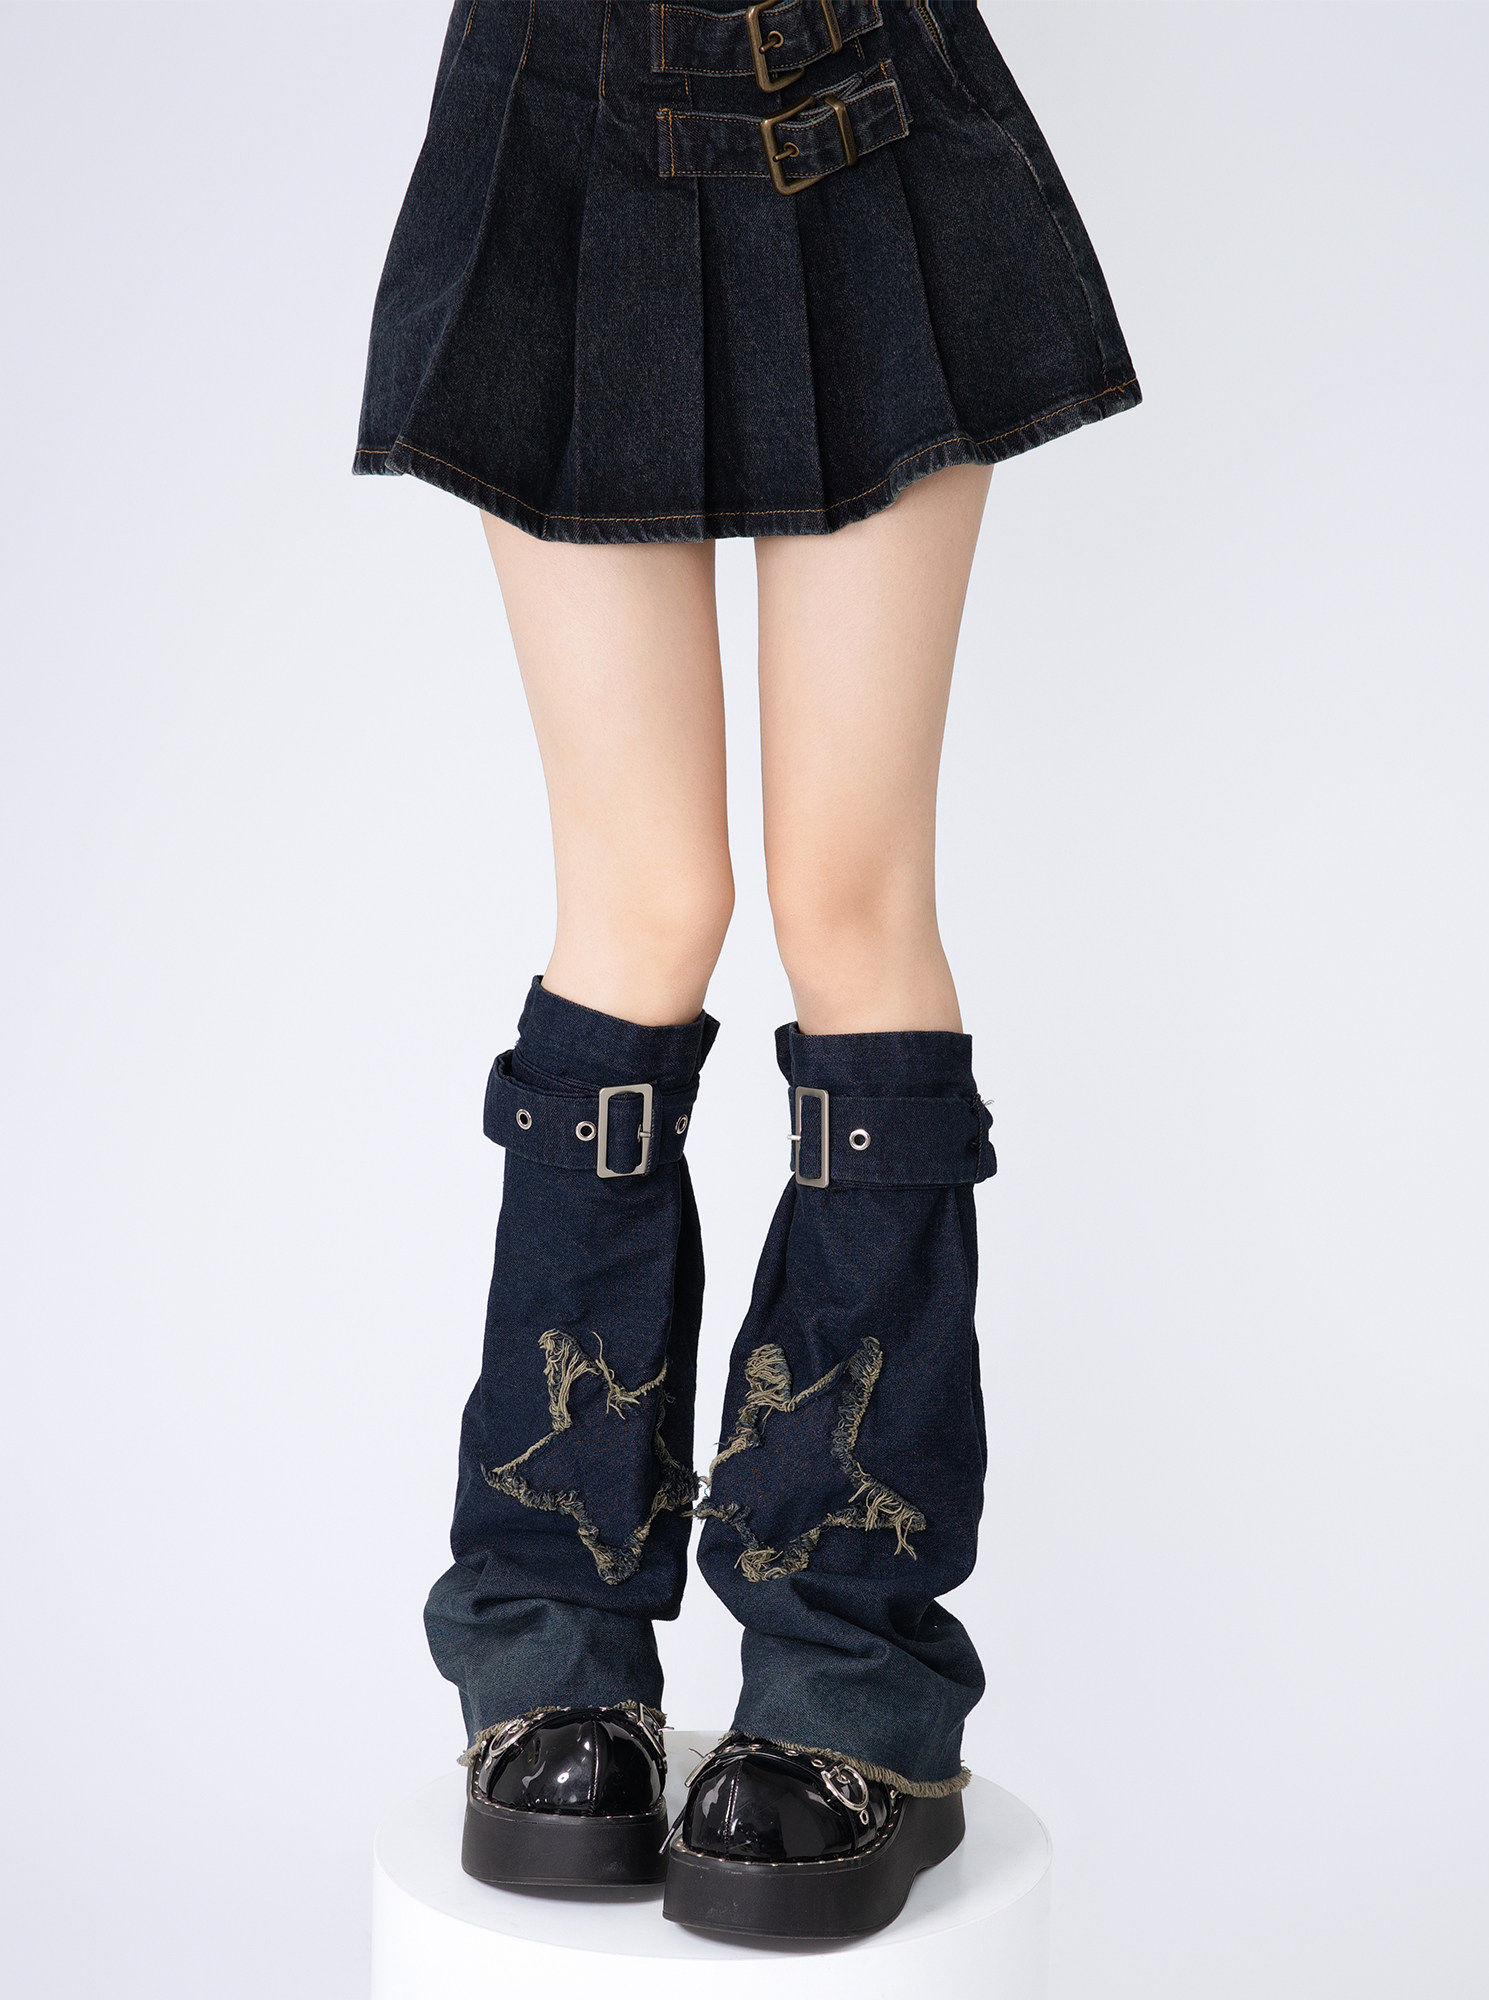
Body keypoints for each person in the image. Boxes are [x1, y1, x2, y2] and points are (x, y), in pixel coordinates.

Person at [355, 0, 1137, 1942]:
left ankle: (847, 1677)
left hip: (862, 107)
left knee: (848, 895)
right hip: (560, 104)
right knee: (640, 897)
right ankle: (552, 1648)